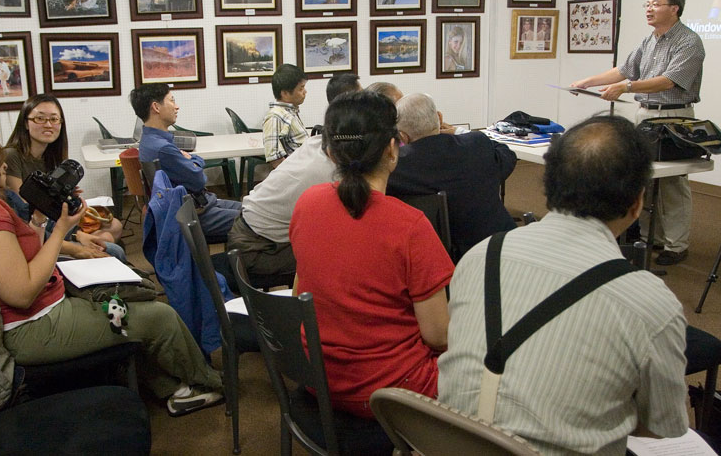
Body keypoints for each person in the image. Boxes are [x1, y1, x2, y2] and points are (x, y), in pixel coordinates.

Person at [0, 126, 224, 417]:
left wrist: (39, 219)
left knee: (127, 302)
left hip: (28, 318)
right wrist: (60, 230)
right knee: (159, 315)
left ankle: (174, 388)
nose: (3, 165)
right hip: (35, 325)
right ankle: (209, 383)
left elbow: (19, 259)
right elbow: (20, 293)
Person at [437, 115, 688, 454]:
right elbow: (661, 427)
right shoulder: (649, 303)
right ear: (637, 202)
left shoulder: (480, 256)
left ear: (549, 185)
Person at [290, 91, 453, 418]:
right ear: (392, 149)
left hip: (318, 379)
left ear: (331, 154)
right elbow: (438, 336)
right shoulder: (410, 226)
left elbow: (299, 297)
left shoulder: (307, 203)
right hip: (393, 393)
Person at [570, 0, 704, 265]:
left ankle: (676, 245)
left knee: (672, 182)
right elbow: (624, 70)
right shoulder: (649, 41)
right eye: (648, 4)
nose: (649, 9)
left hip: (673, 116)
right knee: (643, 176)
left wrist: (627, 87)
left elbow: (668, 81)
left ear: (674, 9)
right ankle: (649, 236)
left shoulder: (689, 42)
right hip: (645, 115)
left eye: (655, 4)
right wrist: (587, 82)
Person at [226, 74, 362, 279]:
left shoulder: (315, 142)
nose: (305, 92)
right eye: (300, 88)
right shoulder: (328, 171)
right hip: (257, 248)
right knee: (342, 255)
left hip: (252, 231)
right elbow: (274, 156)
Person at [386, 93, 517, 261]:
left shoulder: (397, 166)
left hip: (445, 259)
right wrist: (458, 131)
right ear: (439, 118)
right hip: (503, 248)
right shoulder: (477, 144)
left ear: (402, 136)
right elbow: (507, 155)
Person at [4, 94, 125, 257]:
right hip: (37, 227)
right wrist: (76, 239)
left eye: (54, 119)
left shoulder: (51, 156)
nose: (48, 125)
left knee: (114, 227)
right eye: (40, 119)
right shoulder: (11, 156)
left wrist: (64, 196)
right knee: (112, 248)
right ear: (26, 123)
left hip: (53, 222)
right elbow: (25, 209)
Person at [131, 84, 241, 239]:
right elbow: (199, 180)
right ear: (156, 107)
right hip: (193, 215)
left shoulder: (149, 141)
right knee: (257, 218)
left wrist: (190, 161)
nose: (177, 107)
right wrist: (195, 160)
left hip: (194, 206)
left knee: (252, 208)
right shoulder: (163, 148)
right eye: (172, 101)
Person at [263, 64, 309, 169]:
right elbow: (275, 160)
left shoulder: (289, 112)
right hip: (298, 173)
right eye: (301, 88)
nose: (305, 92)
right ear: (285, 93)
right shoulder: (275, 117)